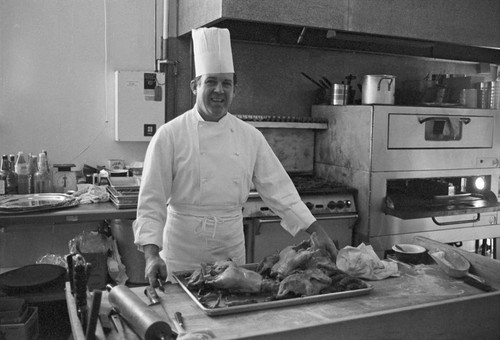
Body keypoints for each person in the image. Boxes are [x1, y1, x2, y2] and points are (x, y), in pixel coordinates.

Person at [134, 27, 338, 286]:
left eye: (226, 83)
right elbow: (152, 200)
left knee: (232, 314)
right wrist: (151, 255)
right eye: (211, 81)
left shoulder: (249, 136)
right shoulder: (169, 135)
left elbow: (279, 189)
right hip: (182, 250)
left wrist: (316, 230)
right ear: (194, 86)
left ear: (235, 90)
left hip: (230, 249)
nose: (219, 90)